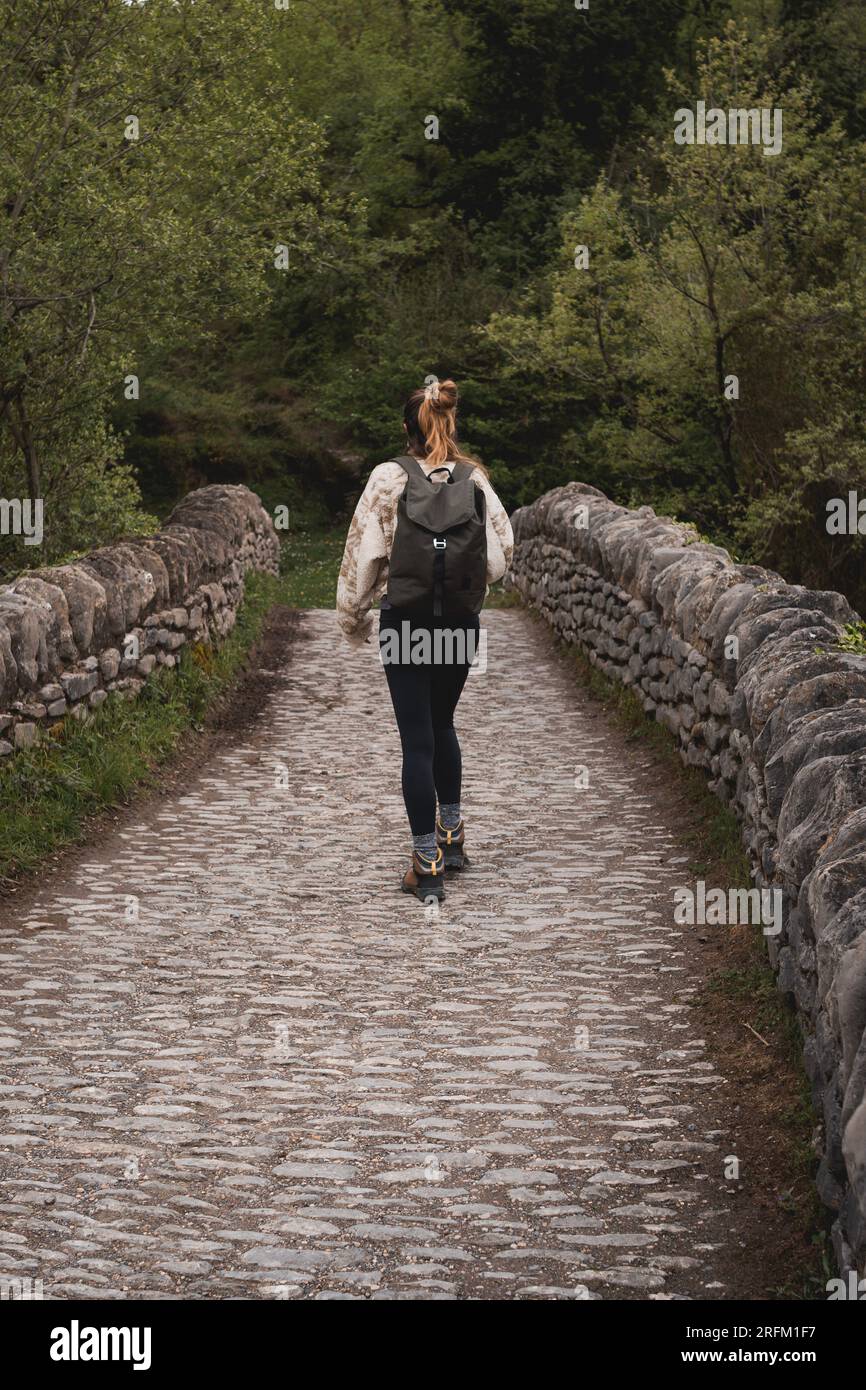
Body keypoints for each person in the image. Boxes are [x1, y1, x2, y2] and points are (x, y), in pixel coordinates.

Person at [337, 378, 514, 902]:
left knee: (417, 739)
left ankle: (425, 864)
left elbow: (362, 555)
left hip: (408, 623)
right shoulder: (473, 479)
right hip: (458, 622)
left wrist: (353, 618)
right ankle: (452, 836)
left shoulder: (388, 478)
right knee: (443, 724)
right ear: (449, 423)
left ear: (406, 428)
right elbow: (501, 551)